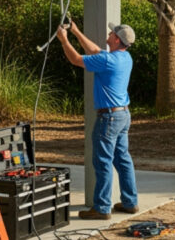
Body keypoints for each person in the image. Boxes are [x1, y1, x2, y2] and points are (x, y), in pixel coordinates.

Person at [56, 20, 139, 220]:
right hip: (122, 116)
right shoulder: (124, 57)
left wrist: (63, 40)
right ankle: (130, 202)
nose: (108, 34)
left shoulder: (108, 61)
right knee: (123, 159)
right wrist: (76, 31)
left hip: (109, 118)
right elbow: (94, 50)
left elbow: (76, 59)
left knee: (103, 162)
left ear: (117, 40)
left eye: (112, 33)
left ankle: (102, 208)